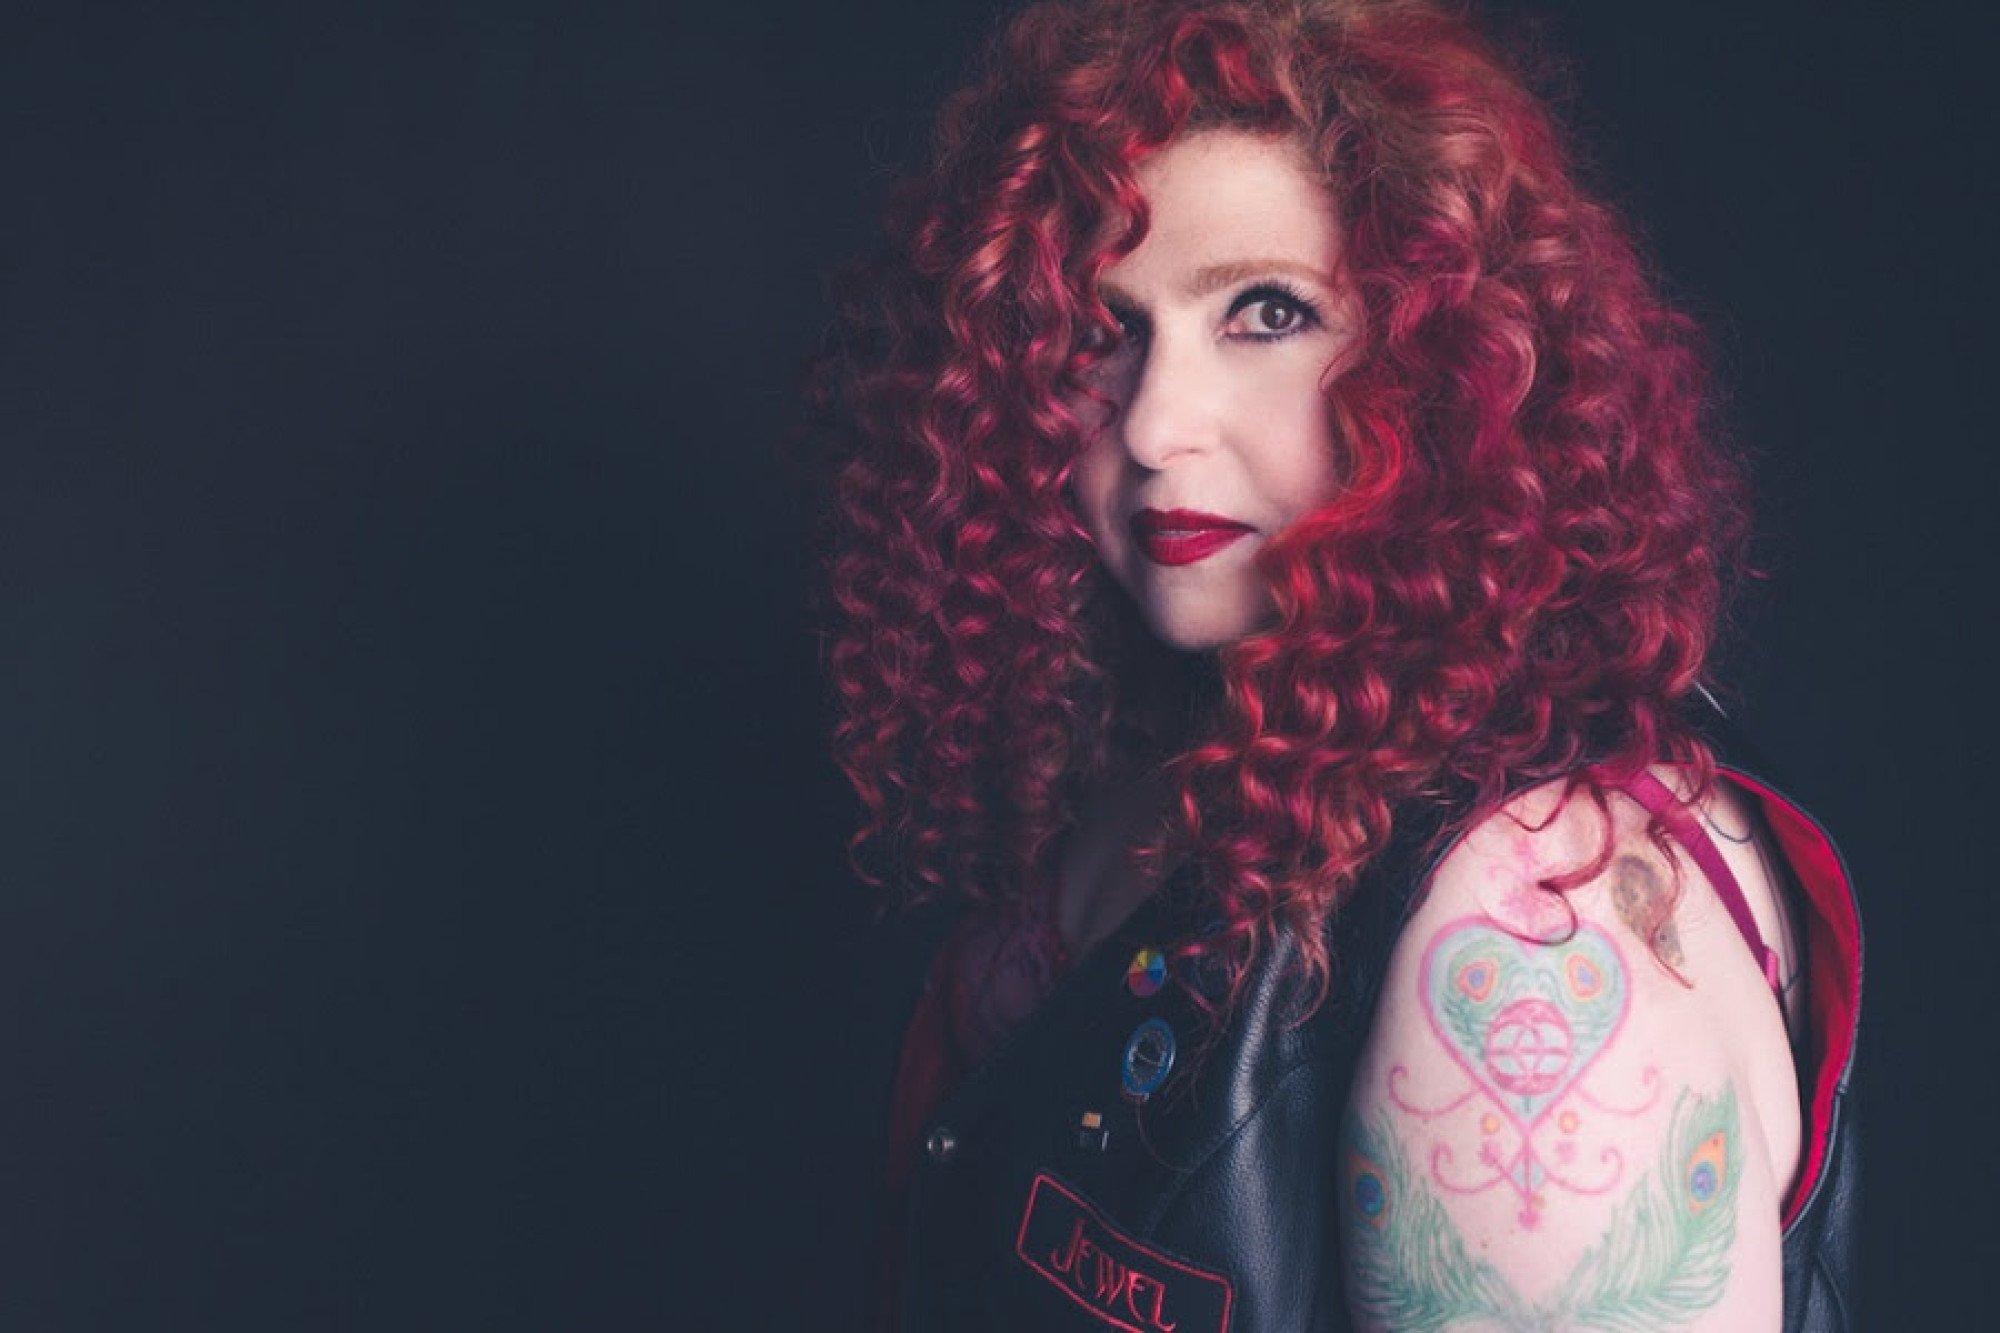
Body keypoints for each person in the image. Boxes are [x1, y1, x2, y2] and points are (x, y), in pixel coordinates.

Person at [814, 1, 1861, 1329]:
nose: (1156, 423)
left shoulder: (1533, 927)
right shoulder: (1196, 753)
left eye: (1267, 312)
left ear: (1448, 361)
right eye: (1103, 329)